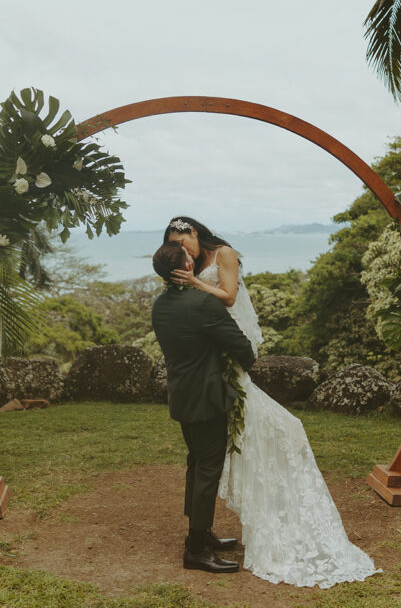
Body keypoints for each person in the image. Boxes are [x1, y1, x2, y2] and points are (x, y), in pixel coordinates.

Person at [163, 216, 381, 588]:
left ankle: (200, 533)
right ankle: (198, 540)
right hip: (214, 369)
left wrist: (197, 284)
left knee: (207, 455)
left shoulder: (218, 259)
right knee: (212, 457)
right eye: (175, 247)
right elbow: (212, 326)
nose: (183, 251)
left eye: (185, 242)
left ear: (195, 234)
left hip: (211, 366)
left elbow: (229, 298)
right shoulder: (188, 283)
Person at [151, 241, 257, 574]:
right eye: (189, 259)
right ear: (183, 268)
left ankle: (201, 533)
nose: (193, 260)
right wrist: (246, 362)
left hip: (182, 396)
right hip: (207, 398)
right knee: (208, 467)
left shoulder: (159, 306)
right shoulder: (202, 304)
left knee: (196, 462)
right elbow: (240, 344)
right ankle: (196, 549)